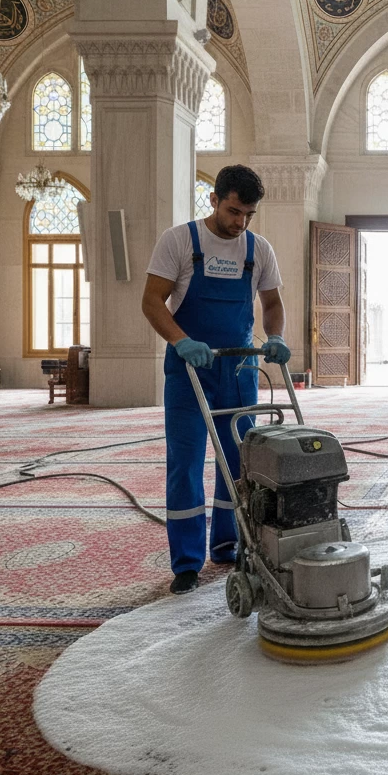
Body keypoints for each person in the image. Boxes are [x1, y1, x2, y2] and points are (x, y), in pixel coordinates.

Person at [141, 165, 291, 594]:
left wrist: (276, 335)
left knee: (241, 464)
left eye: (248, 214)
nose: (239, 221)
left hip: (240, 370)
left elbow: (273, 302)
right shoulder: (179, 241)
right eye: (232, 210)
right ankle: (187, 562)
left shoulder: (257, 249)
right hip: (190, 369)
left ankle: (231, 543)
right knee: (185, 465)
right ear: (214, 199)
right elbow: (152, 301)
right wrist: (181, 341)